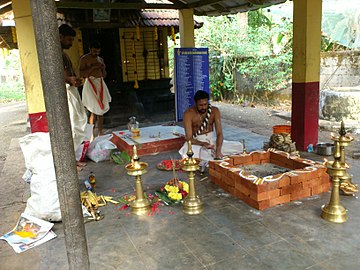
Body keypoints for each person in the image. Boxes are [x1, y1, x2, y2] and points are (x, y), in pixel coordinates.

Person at [179, 90, 243, 161]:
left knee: (239, 146)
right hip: (197, 143)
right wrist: (203, 144)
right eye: (200, 105)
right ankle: (211, 158)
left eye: (205, 104)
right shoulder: (188, 114)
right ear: (195, 103)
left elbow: (219, 133)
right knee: (191, 152)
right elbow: (189, 139)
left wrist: (218, 150)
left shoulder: (214, 111)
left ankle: (214, 156)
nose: (203, 107)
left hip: (212, 142)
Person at [59, 24, 88, 170]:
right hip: (64, 94)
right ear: (60, 37)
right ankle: (69, 163)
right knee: (72, 126)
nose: (71, 43)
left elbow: (67, 75)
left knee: (78, 124)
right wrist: (70, 80)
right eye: (69, 39)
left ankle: (74, 159)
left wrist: (73, 79)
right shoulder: (56, 53)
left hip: (71, 90)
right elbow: (62, 75)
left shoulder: (63, 54)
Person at [79, 40, 111, 137]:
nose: (95, 54)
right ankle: (91, 135)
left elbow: (104, 75)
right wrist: (93, 67)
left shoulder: (100, 59)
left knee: (101, 111)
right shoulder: (84, 59)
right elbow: (81, 74)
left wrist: (103, 68)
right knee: (92, 111)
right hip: (90, 84)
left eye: (97, 52)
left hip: (100, 83)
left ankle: (100, 134)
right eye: (93, 51)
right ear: (89, 49)